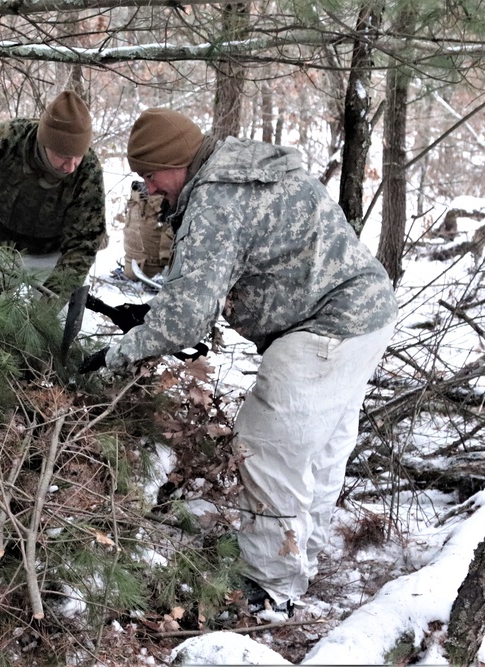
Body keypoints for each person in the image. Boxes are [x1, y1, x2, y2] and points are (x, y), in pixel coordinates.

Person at [81, 108, 398, 613]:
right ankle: (301, 559)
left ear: (177, 161)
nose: (150, 189)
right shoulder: (242, 163)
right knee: (316, 451)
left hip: (323, 328)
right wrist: (157, 312)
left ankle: (271, 588)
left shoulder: (213, 202)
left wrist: (121, 352)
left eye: (151, 175)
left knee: (267, 447)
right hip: (367, 312)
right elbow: (216, 278)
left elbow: (186, 317)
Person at [0, 91, 107, 299]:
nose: (71, 166)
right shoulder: (5, 142)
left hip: (53, 257)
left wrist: (47, 311)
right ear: (45, 144)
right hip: (0, 247)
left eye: (77, 156)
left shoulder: (88, 170)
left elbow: (83, 244)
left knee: (51, 325)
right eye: (63, 155)